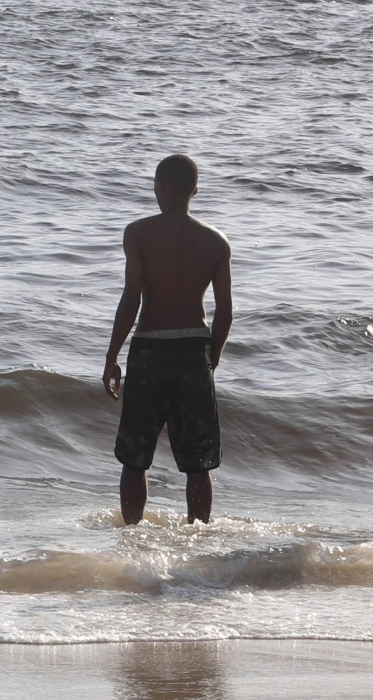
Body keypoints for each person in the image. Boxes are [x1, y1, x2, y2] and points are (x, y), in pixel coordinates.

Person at [102, 154, 233, 525]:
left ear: (158, 187)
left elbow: (132, 298)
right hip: (194, 348)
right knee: (198, 463)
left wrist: (112, 357)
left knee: (135, 458)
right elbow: (225, 311)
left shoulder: (138, 234)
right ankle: (199, 538)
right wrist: (212, 356)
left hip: (150, 348)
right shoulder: (216, 242)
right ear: (195, 190)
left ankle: (132, 534)